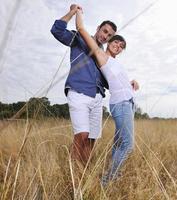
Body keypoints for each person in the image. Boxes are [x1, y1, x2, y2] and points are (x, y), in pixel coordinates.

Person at [75, 8, 139, 185]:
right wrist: (77, 11)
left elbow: (119, 82)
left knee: (119, 144)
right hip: (121, 104)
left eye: (121, 47)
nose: (118, 46)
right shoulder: (101, 56)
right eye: (116, 42)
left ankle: (112, 175)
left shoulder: (116, 63)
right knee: (128, 145)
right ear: (109, 40)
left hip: (129, 103)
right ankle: (108, 180)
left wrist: (133, 82)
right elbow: (81, 28)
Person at [50, 4, 117, 165]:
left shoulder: (103, 55)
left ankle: (84, 173)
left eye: (109, 36)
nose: (105, 36)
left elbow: (108, 81)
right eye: (105, 31)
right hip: (79, 92)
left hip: (97, 97)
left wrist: (127, 83)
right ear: (98, 28)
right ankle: (74, 179)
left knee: (91, 140)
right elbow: (57, 30)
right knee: (82, 136)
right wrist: (73, 12)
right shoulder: (79, 39)